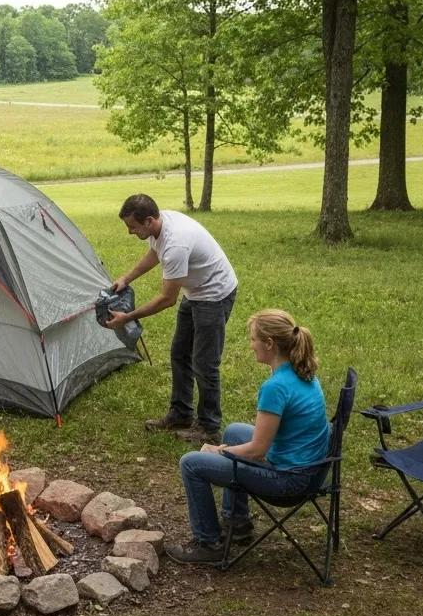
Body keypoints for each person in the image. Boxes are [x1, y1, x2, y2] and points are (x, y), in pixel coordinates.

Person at [166, 309, 331, 564]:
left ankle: (209, 544)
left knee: (191, 463)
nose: (251, 345)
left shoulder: (276, 388)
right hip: (311, 468)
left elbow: (257, 452)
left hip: (290, 481)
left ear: (269, 344)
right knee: (233, 431)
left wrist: (218, 451)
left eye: (253, 339)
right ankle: (238, 522)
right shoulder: (302, 371)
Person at [104, 194, 238, 444]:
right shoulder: (160, 226)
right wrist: (127, 278)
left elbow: (167, 299)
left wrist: (128, 318)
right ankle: (181, 414)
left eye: (132, 227)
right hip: (196, 292)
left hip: (214, 294)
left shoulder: (176, 244)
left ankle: (209, 428)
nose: (130, 233)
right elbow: (155, 254)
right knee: (179, 352)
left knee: (204, 363)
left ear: (149, 220)